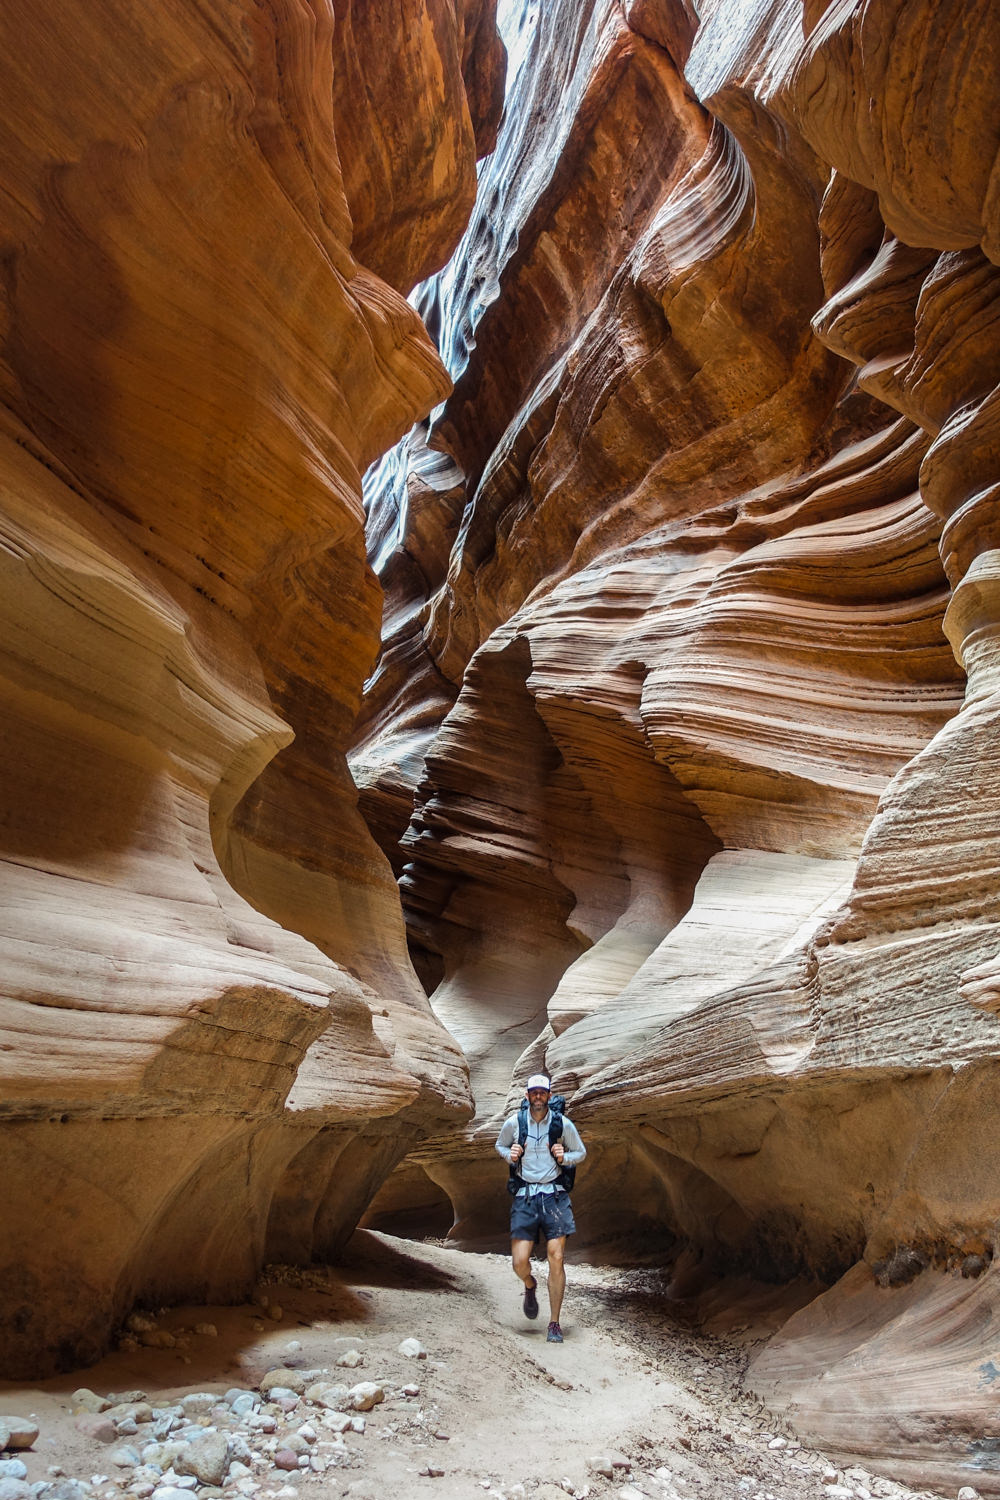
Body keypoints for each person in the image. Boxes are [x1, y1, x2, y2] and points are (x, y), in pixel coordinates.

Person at [494, 1073, 586, 1343]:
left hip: (555, 1196)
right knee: (519, 1262)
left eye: (542, 1092)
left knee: (556, 1256)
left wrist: (564, 1157)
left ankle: (554, 1323)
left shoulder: (561, 1124)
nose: (537, 1096)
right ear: (527, 1096)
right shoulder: (515, 1122)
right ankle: (530, 1284)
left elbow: (580, 1152)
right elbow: (499, 1144)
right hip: (525, 1196)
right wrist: (508, 1154)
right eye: (533, 1092)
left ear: (548, 1095)